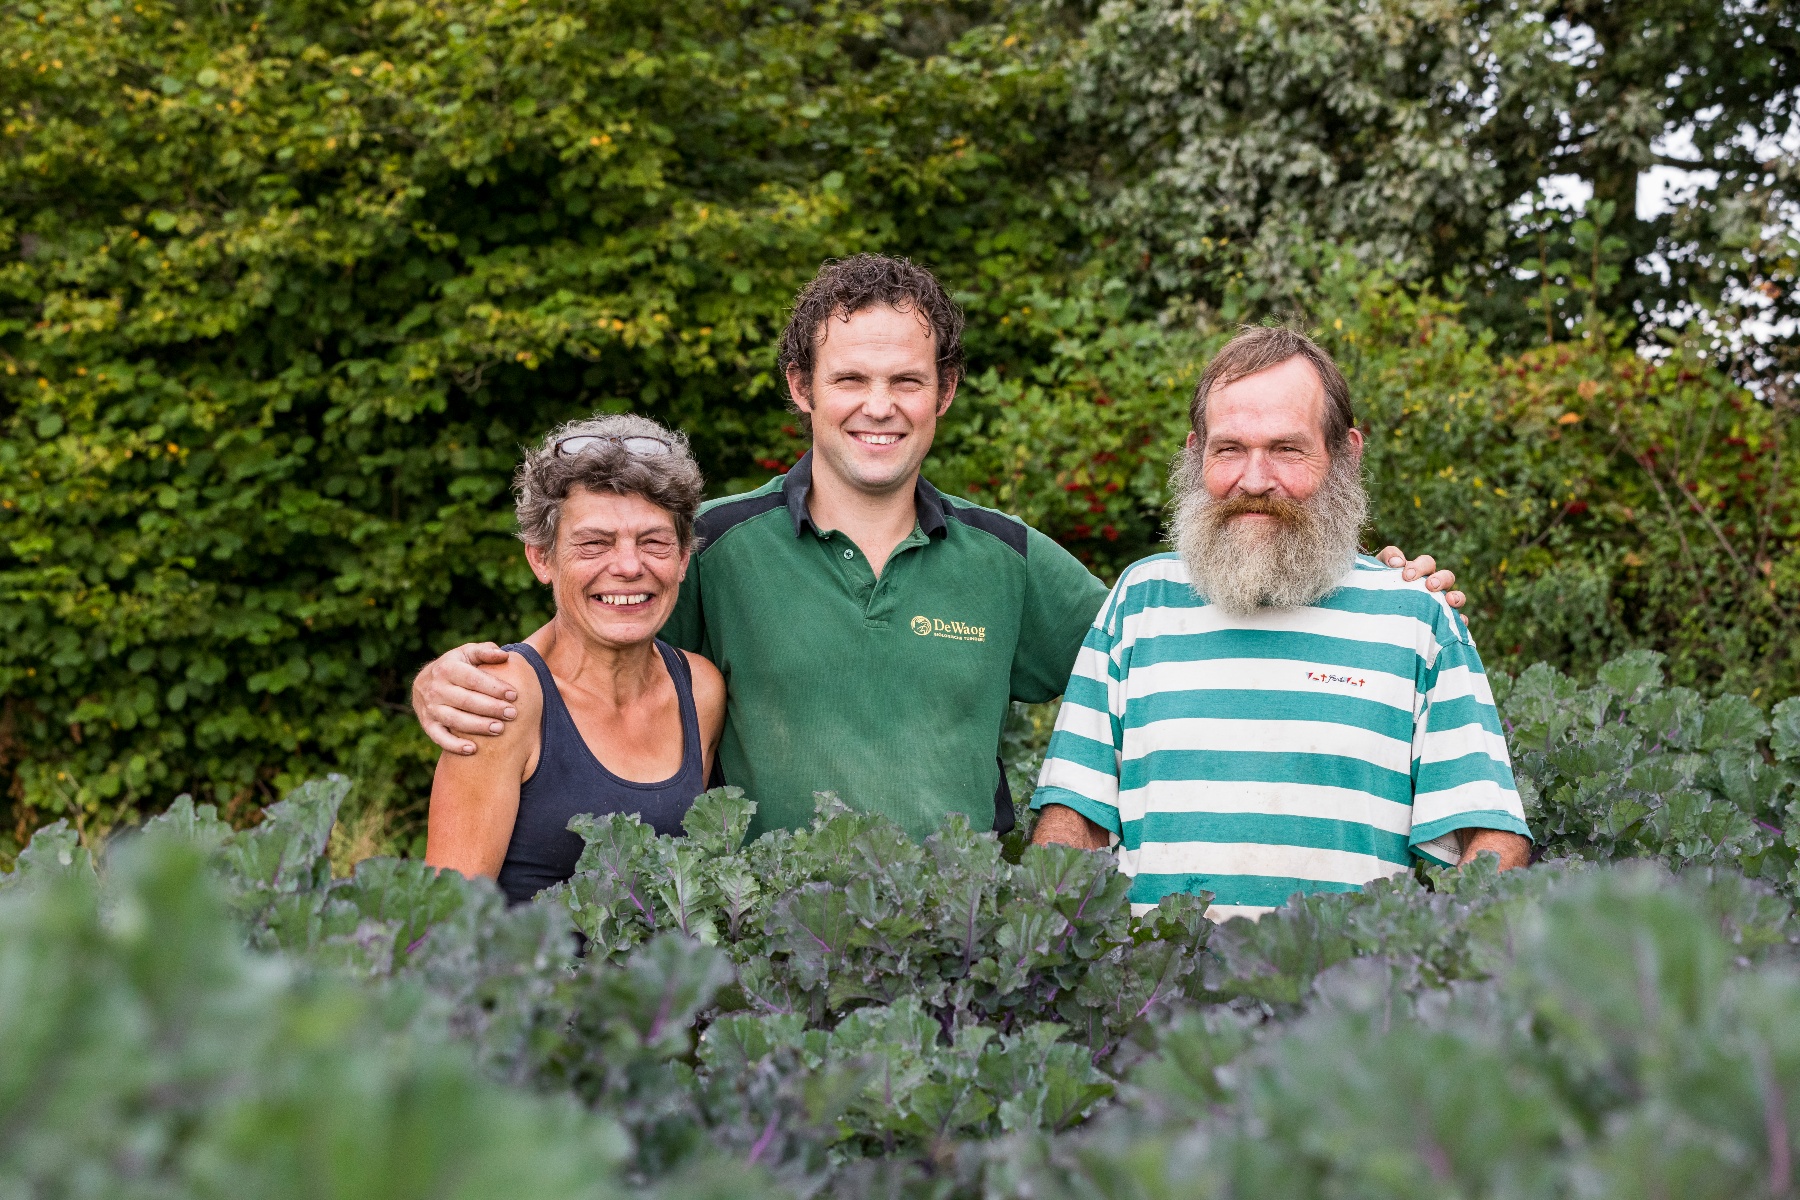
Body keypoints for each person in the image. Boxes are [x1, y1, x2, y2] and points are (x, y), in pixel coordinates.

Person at [412, 255, 1461, 843]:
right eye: (850, 380)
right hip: (766, 952)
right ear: (802, 388)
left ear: (944, 392)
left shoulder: (1009, 560)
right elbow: (590, 645)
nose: (879, 406)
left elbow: (1187, 643)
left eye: (906, 381)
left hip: (960, 957)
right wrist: (453, 678)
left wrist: (1364, 594)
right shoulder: (714, 547)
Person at [1030, 325, 1530, 921]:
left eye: (1287, 450)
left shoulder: (1417, 618)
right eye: (1229, 449)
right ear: (1195, 453)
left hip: (1347, 980)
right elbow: (1074, 819)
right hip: (1155, 980)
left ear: (1346, 455)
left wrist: (1444, 956)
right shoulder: (1141, 602)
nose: (1255, 479)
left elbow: (1491, 838)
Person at [424, 415, 724, 902]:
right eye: (594, 543)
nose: (628, 566)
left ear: (684, 557)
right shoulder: (502, 699)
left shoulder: (699, 689)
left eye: (653, 542)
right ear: (541, 558)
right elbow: (445, 917)